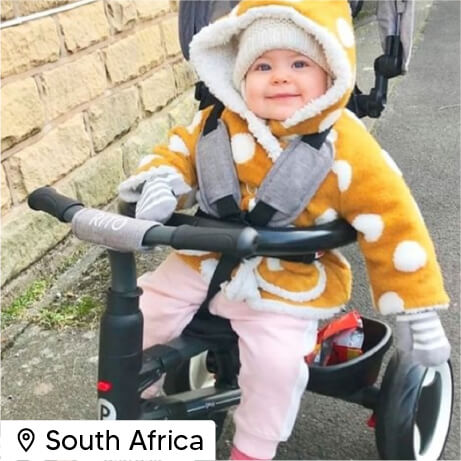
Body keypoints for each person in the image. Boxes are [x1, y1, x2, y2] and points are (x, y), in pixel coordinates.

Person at [118, 1, 451, 459]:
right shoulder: (214, 124)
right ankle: (137, 400)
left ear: (330, 72)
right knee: (139, 315)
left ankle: (253, 448)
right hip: (202, 260)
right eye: (262, 66)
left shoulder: (344, 144)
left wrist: (417, 314)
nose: (279, 77)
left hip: (285, 279)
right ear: (238, 74)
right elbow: (173, 154)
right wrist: (162, 182)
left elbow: (394, 222)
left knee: (276, 364)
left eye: (299, 64)